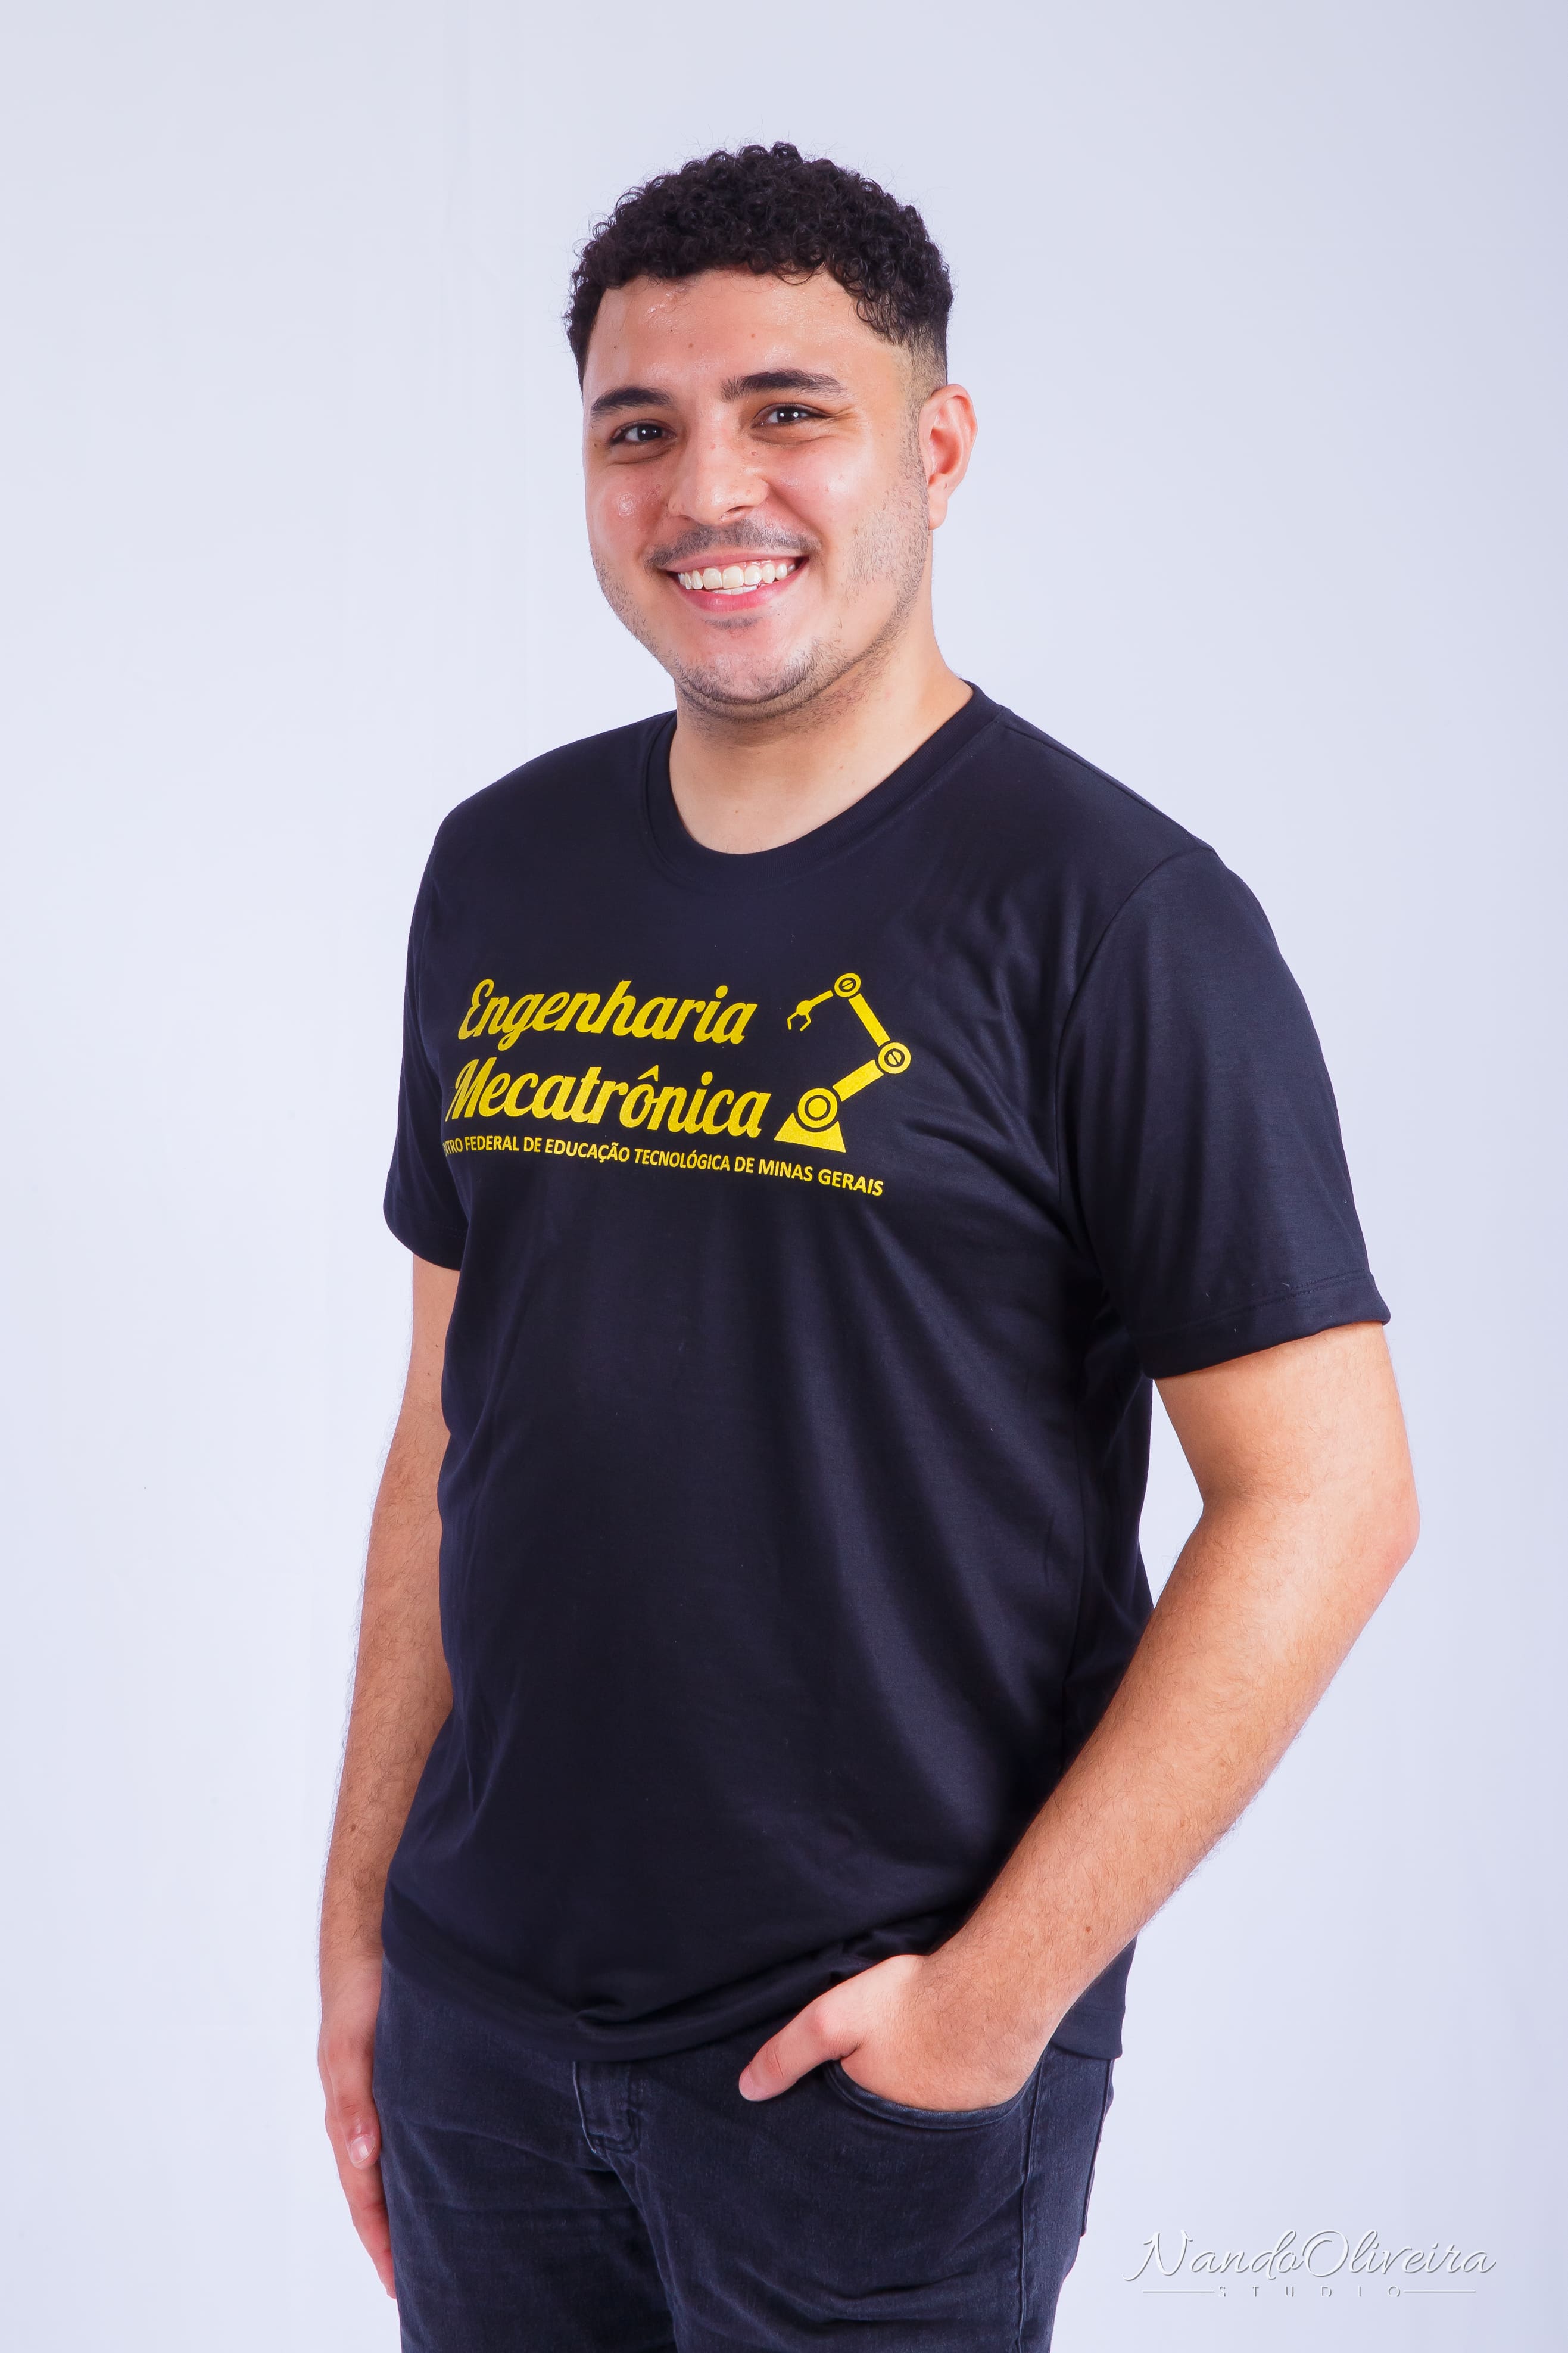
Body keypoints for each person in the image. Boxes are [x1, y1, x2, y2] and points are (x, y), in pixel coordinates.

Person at [317, 142, 1417, 2351]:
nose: (706, 488)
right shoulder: (500, 869)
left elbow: (1328, 1499)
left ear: (937, 445)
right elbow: (450, 1418)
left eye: (787, 412)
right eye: (640, 428)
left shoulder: (1113, 920)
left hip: (860, 2070)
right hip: (481, 2038)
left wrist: (989, 2008)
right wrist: (361, 1929)